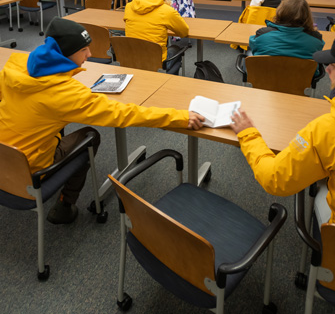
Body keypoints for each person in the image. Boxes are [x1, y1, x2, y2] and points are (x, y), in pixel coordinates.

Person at [0, 17, 204, 224]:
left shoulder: (15, 67)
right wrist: (180, 117)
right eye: (83, 50)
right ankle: (65, 205)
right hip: (29, 172)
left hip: (4, 158)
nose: (90, 54)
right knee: (90, 135)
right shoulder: (66, 94)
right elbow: (123, 114)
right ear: (64, 54)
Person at [231, 28, 335, 236]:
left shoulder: (328, 129)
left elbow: (274, 179)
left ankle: (317, 266)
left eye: (334, 65)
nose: (327, 69)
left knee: (319, 187)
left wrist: (248, 134)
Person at [124, 0, 189, 74]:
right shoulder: (166, 10)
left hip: (132, 58)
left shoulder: (129, 7)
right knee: (175, 49)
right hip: (157, 62)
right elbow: (184, 32)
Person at [249, 0, 324, 60]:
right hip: (301, 76)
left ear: (280, 11)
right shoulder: (316, 39)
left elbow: (253, 44)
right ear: (307, 16)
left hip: (265, 75)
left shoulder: (262, 34)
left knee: (250, 54)